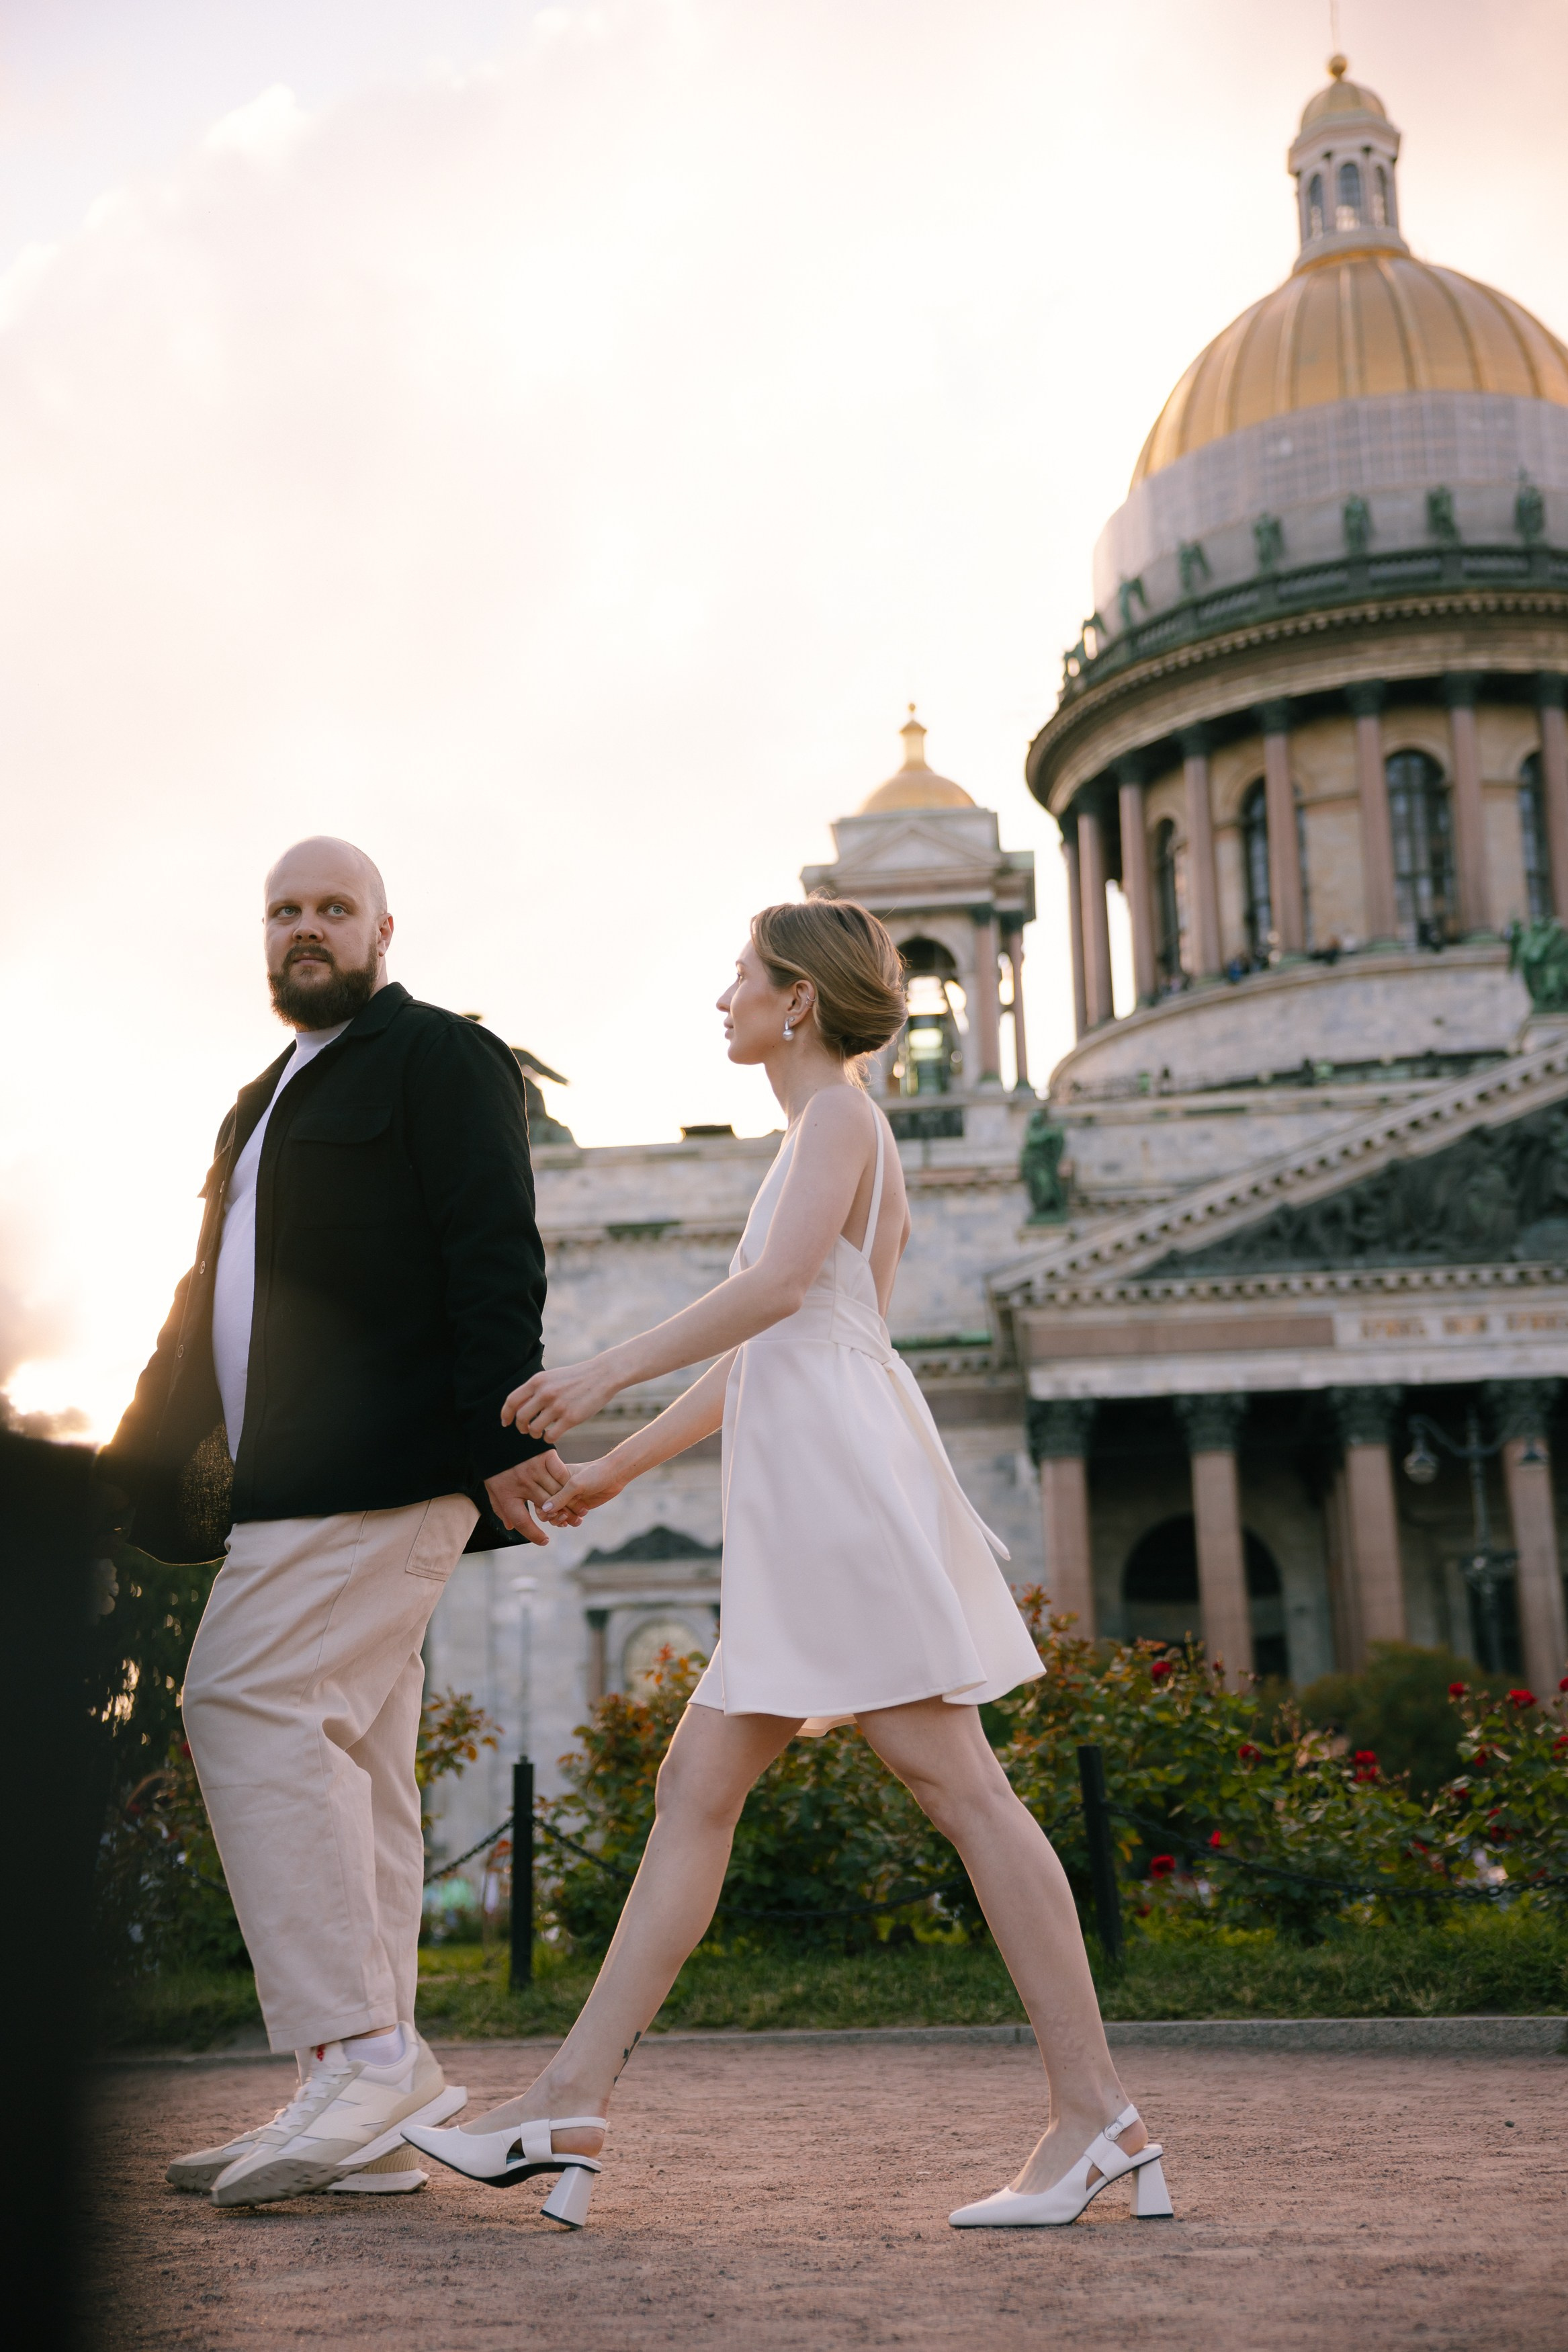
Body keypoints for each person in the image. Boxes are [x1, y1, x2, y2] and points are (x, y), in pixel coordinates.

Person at [406, 897, 1172, 2232]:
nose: (724, 998)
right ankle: (567, 2106)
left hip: (835, 1494)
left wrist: (595, 1372)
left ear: (797, 1002)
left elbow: (775, 1304)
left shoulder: (838, 1122)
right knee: (701, 1779)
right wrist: (618, 1466)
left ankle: (1099, 2118)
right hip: (819, 1481)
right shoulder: (831, 1134)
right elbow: (795, 1336)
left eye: (742, 977)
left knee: (963, 1790)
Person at [103, 837, 568, 2207]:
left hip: (385, 1465)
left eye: (332, 909)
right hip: (282, 1479)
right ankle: (358, 2102)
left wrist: (496, 1441)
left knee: (243, 1699)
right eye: (284, 910)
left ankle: (361, 2051)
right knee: (355, 1761)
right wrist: (132, 1464)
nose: (306, 928)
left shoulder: (440, 1059)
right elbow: (205, 1302)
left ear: (382, 927)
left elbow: (495, 1244)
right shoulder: (259, 1099)